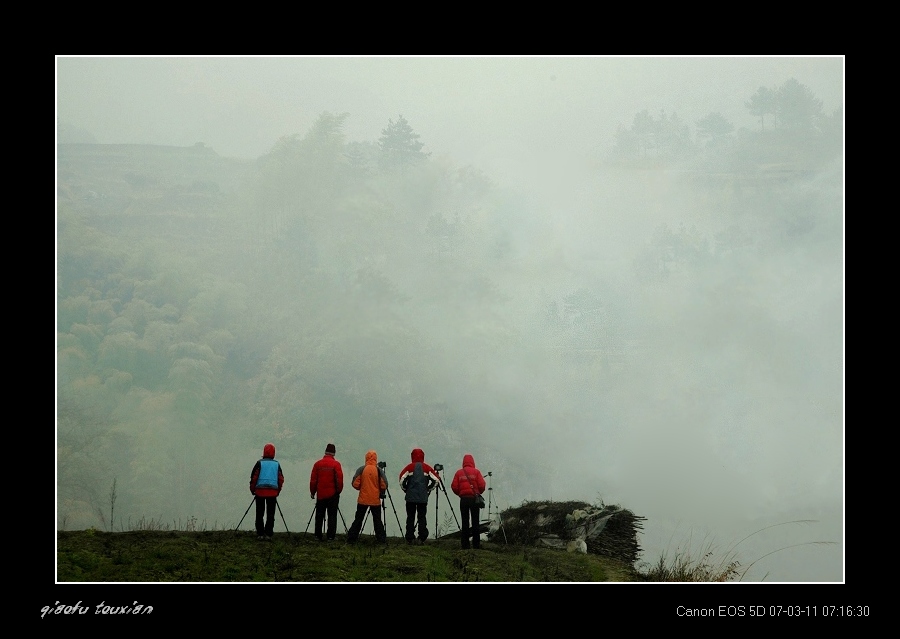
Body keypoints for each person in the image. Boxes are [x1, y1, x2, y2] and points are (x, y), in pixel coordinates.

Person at [398, 447, 439, 545]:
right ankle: (422, 538)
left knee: (410, 517)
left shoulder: (409, 467)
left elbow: (401, 479)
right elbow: (436, 480)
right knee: (422, 517)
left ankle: (410, 538)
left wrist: (406, 490)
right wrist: (428, 489)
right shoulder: (427, 468)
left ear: (412, 456)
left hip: (410, 497)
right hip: (422, 498)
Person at [346, 450, 388, 544]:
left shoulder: (362, 469)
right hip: (375, 500)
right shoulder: (378, 470)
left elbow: (355, 483)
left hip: (363, 499)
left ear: (366, 458)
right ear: (375, 459)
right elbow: (384, 485)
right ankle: (381, 540)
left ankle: (352, 538)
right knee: (377, 521)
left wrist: (363, 488)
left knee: (358, 519)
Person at [450, 453, 486, 549]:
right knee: (475, 522)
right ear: (473, 462)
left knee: (465, 522)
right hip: (474, 499)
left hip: (464, 500)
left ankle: (465, 544)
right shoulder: (476, 472)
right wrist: (478, 492)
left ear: (463, 462)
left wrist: (461, 493)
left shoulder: (459, 473)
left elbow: (454, 486)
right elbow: (482, 485)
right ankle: (476, 544)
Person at [249, 442, 284, 541]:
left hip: (260, 492)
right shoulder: (277, 464)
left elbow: (254, 478)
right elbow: (280, 479)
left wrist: (253, 490)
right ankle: (268, 533)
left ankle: (260, 533)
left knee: (259, 513)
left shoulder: (259, 463)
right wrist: (278, 491)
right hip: (272, 492)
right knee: (270, 513)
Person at [309, 442, 344, 541]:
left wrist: (313, 492)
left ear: (325, 452)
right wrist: (338, 491)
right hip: (333, 494)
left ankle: (317, 535)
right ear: (334, 453)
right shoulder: (336, 464)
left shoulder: (317, 464)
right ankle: (330, 536)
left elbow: (313, 480)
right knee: (332, 515)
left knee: (319, 515)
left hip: (321, 494)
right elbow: (339, 480)